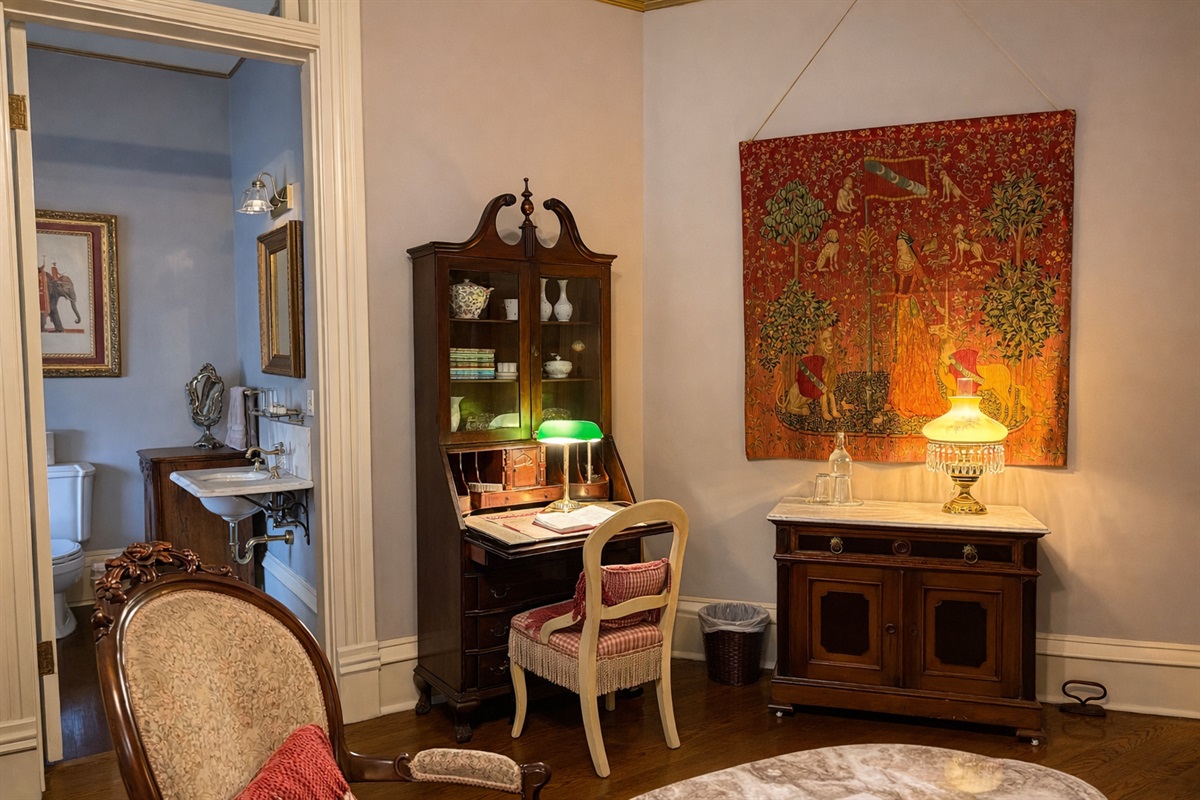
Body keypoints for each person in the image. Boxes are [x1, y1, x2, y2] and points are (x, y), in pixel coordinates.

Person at [884, 232, 945, 419]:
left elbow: (926, 284)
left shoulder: (915, 265)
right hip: (898, 309)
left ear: (908, 246)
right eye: (897, 247)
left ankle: (914, 396)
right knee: (899, 352)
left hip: (910, 309)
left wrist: (937, 305)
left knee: (914, 349)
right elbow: (892, 286)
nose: (899, 249)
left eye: (902, 246)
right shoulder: (895, 264)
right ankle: (899, 397)